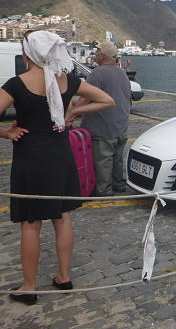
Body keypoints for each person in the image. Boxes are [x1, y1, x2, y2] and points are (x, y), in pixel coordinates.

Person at [0, 30, 114, 305]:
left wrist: (7, 133)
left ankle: (29, 286)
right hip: (60, 156)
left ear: (28, 53)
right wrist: (71, 112)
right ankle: (64, 276)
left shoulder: (16, 84)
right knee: (62, 218)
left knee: (31, 224)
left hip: (30, 159)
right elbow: (107, 101)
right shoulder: (68, 80)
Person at [75, 41, 132, 197]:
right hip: (121, 125)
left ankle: (104, 191)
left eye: (97, 52)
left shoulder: (98, 73)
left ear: (102, 55)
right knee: (117, 159)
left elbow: (85, 98)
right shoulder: (121, 73)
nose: (95, 54)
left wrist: (71, 113)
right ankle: (119, 186)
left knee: (103, 162)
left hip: (103, 128)